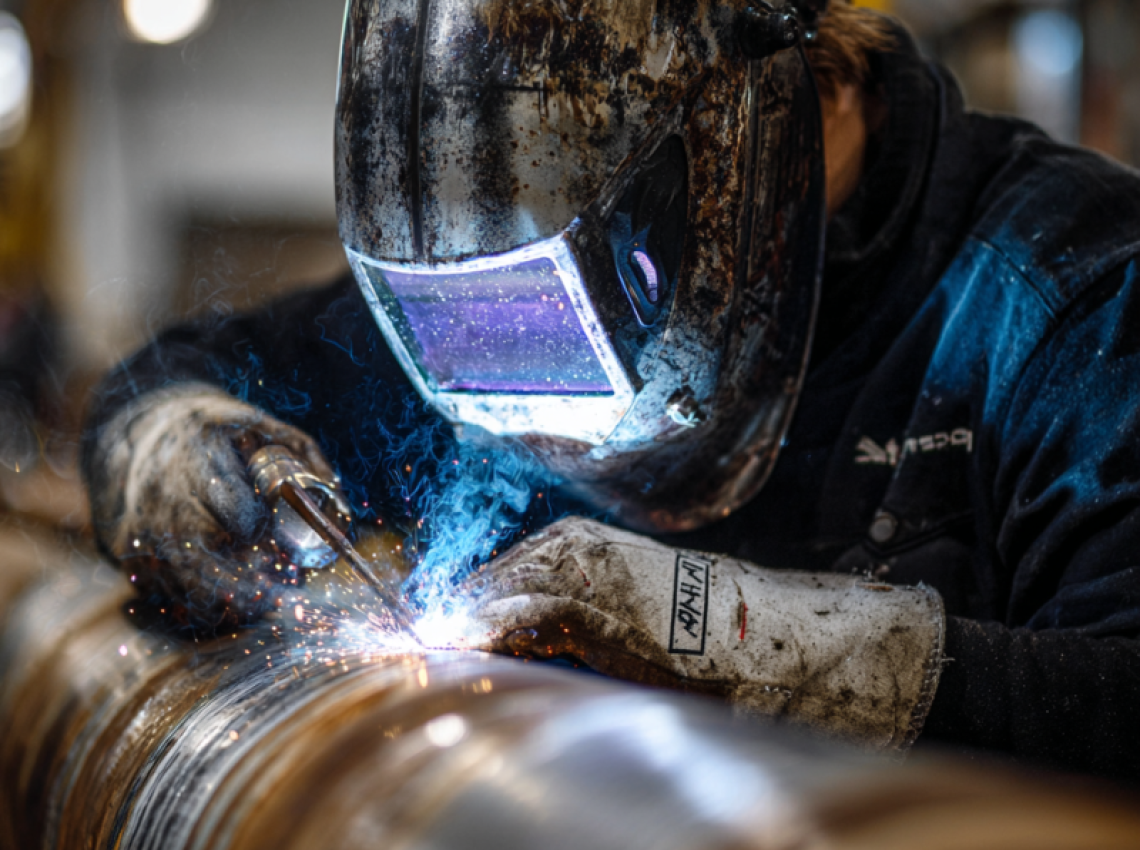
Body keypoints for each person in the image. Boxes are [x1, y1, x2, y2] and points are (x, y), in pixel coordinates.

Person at [82, 0, 1140, 782]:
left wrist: (729, 633)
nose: (527, 390)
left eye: (600, 291)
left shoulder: (1067, 300)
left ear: (743, 129)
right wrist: (181, 450)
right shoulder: (494, 282)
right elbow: (170, 381)